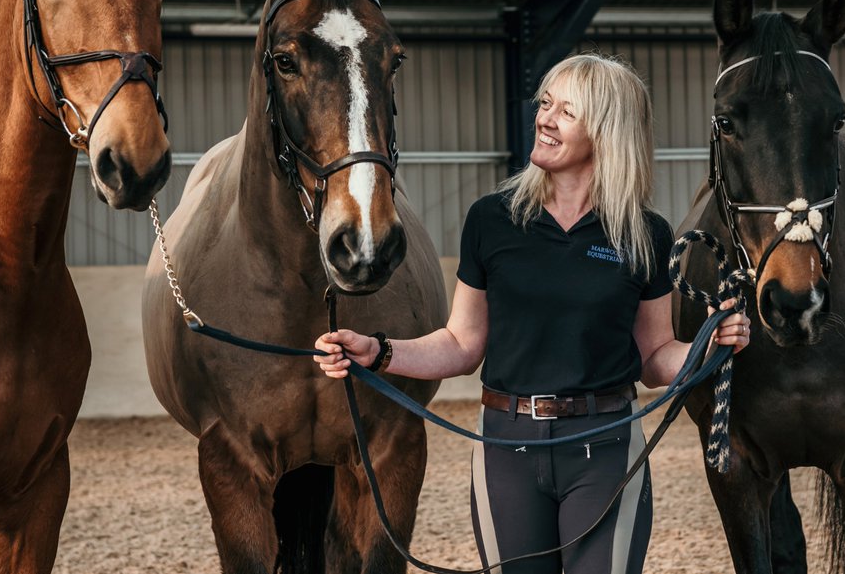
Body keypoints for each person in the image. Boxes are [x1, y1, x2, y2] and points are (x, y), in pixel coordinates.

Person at [314, 53, 749, 574]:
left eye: (567, 111)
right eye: (545, 103)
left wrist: (711, 342)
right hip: (506, 448)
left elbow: (655, 358)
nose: (544, 118)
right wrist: (379, 351)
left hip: (605, 445)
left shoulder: (645, 234)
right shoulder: (491, 221)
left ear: (607, 130)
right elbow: (460, 344)